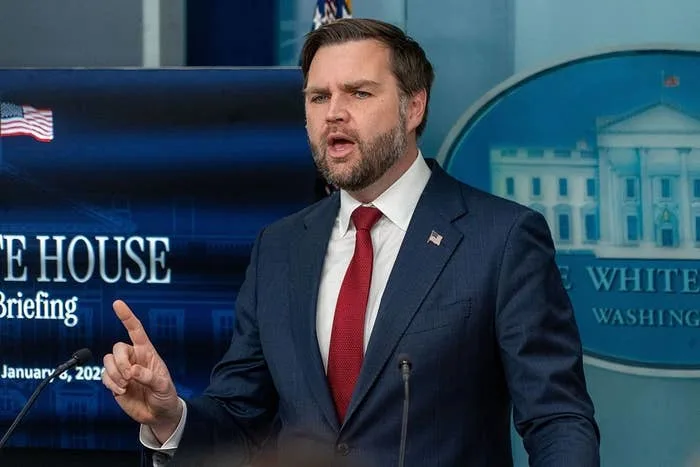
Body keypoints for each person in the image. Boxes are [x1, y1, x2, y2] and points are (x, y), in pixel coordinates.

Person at [102, 18, 600, 467]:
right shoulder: (279, 248)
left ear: (414, 106)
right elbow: (241, 418)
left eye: (359, 93)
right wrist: (170, 417)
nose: (333, 114)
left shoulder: (501, 238)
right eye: (319, 97)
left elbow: (556, 420)